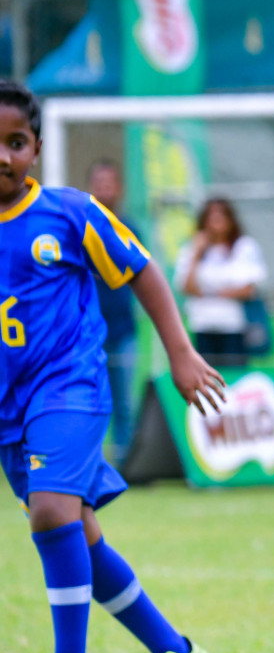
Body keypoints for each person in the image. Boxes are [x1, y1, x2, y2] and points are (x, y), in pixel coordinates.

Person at [0, 79, 223, 653]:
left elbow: (144, 268)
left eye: (16, 143)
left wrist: (179, 352)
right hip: (11, 411)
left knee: (49, 513)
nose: (4, 156)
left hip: (69, 389)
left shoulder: (69, 213)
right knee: (78, 536)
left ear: (36, 149)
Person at [87, 160, 139, 463]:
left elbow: (140, 275)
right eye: (100, 183)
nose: (105, 189)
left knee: (123, 403)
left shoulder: (130, 229)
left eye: (110, 182)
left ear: (119, 188)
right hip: (87, 333)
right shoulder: (78, 229)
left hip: (123, 331)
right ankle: (90, 463)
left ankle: (126, 465)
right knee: (90, 402)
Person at [173, 197, 265, 368]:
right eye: (211, 217)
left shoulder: (244, 247)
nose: (216, 222)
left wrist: (210, 293)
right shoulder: (192, 249)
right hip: (202, 325)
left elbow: (248, 289)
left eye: (221, 216)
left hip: (234, 327)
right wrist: (197, 253)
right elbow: (186, 287)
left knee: (234, 379)